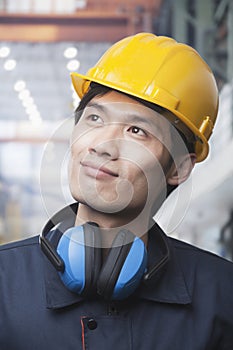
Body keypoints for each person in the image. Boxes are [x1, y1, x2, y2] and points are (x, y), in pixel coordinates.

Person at [0, 32, 233, 350]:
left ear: (179, 167)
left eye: (136, 131)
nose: (102, 145)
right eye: (94, 118)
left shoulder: (221, 297)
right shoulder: (4, 284)